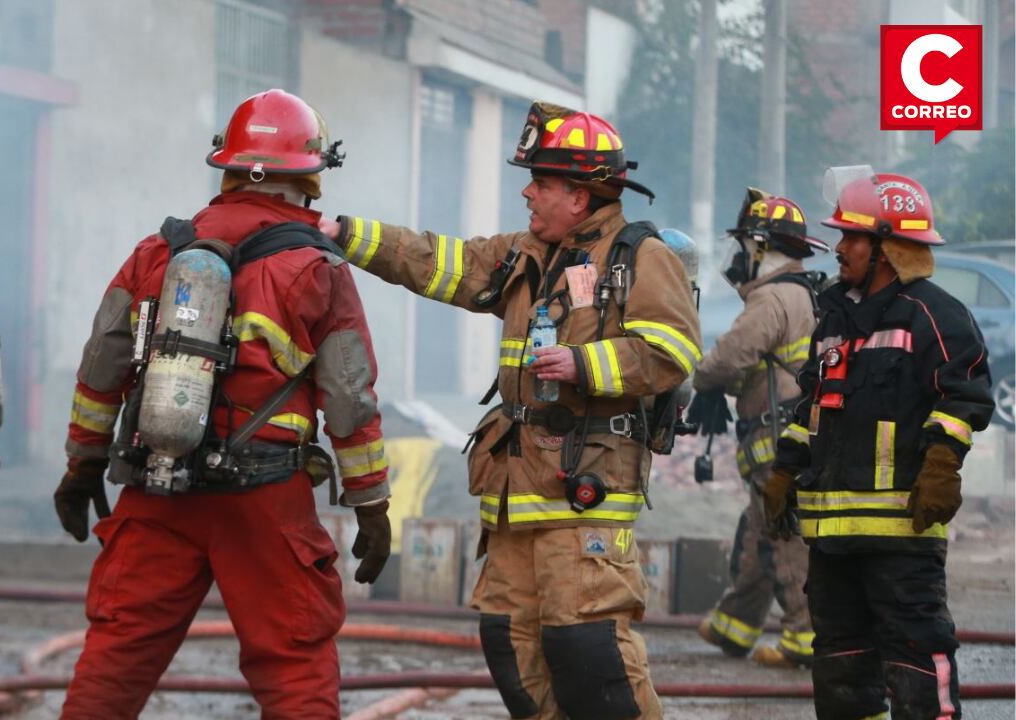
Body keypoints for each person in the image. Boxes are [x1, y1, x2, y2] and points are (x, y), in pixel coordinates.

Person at [320, 102, 700, 719]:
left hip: (586, 493)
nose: (527, 191)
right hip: (514, 497)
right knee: (509, 642)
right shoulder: (527, 253)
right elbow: (438, 260)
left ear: (580, 196)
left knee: (588, 649)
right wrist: (347, 235)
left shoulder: (640, 257)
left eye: (541, 182)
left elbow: (674, 350)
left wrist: (585, 365)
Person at [54, 88, 391, 719]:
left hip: (158, 487)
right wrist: (370, 501)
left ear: (228, 168)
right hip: (264, 501)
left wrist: (81, 466)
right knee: (294, 666)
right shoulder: (318, 268)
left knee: (115, 660)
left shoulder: (158, 253)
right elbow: (349, 399)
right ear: (309, 180)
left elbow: (100, 368)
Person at [766, 168, 993, 719]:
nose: (839, 248)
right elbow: (812, 407)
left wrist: (943, 463)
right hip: (833, 538)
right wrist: (785, 469)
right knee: (840, 662)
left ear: (887, 248)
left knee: (917, 653)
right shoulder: (835, 319)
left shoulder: (934, 315)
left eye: (852, 237)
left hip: (899, 535)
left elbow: (964, 396)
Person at [692, 189, 825, 667]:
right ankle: (736, 624)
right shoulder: (806, 291)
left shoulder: (771, 297)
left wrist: (701, 379)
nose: (740, 258)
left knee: (783, 536)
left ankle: (804, 641)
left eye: (746, 247)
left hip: (777, 438)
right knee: (760, 530)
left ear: (763, 249)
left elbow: (731, 355)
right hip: (791, 433)